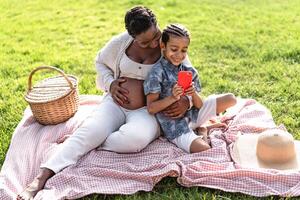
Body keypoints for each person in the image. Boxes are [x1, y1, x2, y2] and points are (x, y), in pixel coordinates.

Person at [17, 6, 192, 200]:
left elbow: (188, 76)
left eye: (155, 36)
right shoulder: (119, 44)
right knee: (90, 131)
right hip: (115, 103)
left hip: (147, 111)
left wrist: (187, 101)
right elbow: (99, 63)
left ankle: (88, 142)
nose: (153, 44)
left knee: (134, 140)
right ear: (133, 37)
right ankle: (41, 178)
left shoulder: (169, 44)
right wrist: (110, 84)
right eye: (145, 42)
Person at [143, 24, 237, 153]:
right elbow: (151, 108)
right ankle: (203, 130)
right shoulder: (156, 73)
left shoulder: (189, 71)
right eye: (174, 49)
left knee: (231, 99)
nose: (179, 55)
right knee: (205, 149)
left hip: (193, 114)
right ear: (163, 46)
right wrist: (172, 97)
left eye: (183, 50)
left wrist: (193, 94)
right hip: (175, 125)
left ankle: (201, 126)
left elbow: (199, 105)